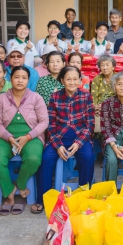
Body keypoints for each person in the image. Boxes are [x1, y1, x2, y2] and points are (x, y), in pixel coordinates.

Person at [0, 66, 49, 215]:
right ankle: (9, 191)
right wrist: (8, 137)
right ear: (10, 78)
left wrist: (28, 136)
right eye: (16, 77)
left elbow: (44, 122)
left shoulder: (36, 98)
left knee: (34, 158)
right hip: (6, 137)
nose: (20, 80)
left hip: (31, 137)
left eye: (24, 77)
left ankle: (21, 184)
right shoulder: (1, 98)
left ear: (28, 80)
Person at [36, 66, 95, 210]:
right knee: (46, 159)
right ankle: (43, 198)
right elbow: (51, 124)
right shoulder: (55, 97)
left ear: (80, 80)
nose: (72, 82)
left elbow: (90, 124)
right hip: (59, 136)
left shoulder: (86, 96)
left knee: (88, 157)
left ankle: (84, 195)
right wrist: (57, 145)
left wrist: (79, 143)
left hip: (80, 135)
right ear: (62, 80)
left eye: (75, 79)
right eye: (68, 79)